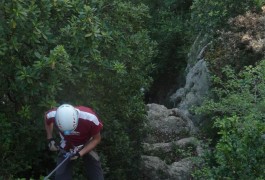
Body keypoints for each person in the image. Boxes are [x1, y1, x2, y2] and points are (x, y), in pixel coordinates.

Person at [44, 104, 104, 180]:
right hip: (67, 143)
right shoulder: (52, 114)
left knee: (96, 174)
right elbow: (46, 118)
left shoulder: (90, 118)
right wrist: (50, 138)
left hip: (86, 143)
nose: (69, 132)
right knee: (61, 175)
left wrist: (80, 153)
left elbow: (96, 139)